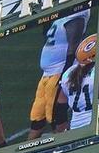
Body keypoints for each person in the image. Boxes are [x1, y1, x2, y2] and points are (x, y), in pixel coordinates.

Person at [28, 7, 90, 139]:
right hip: (46, 74)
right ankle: (24, 152)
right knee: (37, 115)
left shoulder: (76, 16)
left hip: (59, 71)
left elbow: (72, 48)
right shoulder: (62, 14)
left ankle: (61, 144)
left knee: (56, 114)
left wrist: (64, 75)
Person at [55, 34, 96, 132]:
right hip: (96, 124)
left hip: (76, 127)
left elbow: (60, 106)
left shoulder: (69, 73)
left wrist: (61, 131)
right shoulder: (98, 71)